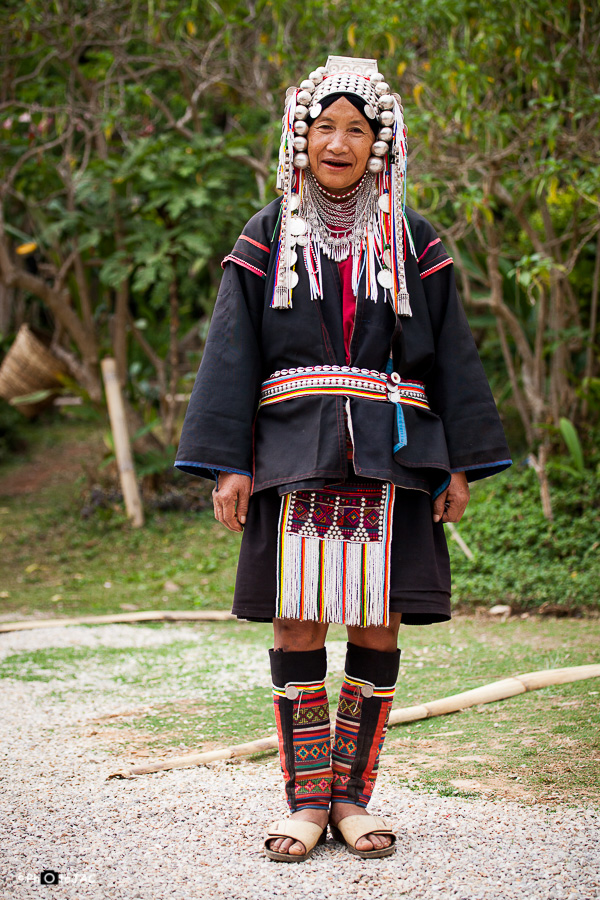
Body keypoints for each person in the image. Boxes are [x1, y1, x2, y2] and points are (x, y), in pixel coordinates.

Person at [175, 56, 511, 863]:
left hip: (391, 460)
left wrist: (460, 460)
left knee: (377, 618)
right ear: (300, 137)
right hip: (293, 454)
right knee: (298, 622)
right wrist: (229, 461)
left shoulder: (414, 241)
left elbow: (453, 357)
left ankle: (354, 800)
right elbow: (233, 350)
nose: (338, 141)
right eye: (324, 126)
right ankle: (305, 801)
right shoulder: (267, 235)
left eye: (356, 129)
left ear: (380, 145)